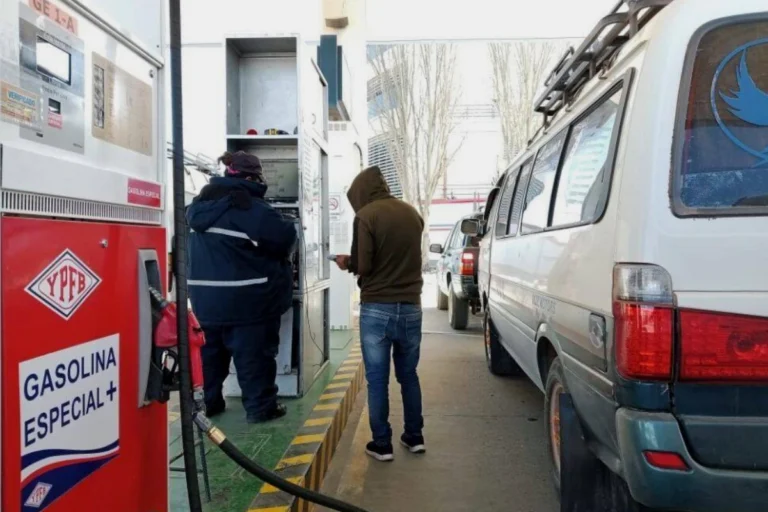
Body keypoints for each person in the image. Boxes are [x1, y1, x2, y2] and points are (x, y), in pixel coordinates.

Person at [187, 151, 297, 423]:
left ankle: (207, 404)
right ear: (253, 178)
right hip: (248, 302)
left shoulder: (196, 208)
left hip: (204, 301)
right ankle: (261, 409)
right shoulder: (252, 209)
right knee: (254, 359)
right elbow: (285, 238)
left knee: (210, 358)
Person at [334, 166, 426, 461]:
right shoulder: (412, 213)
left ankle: (382, 444)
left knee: (377, 379)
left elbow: (365, 266)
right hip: (411, 306)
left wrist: (347, 262)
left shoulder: (366, 216)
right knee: (409, 375)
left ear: (361, 192)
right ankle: (414, 437)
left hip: (377, 309)